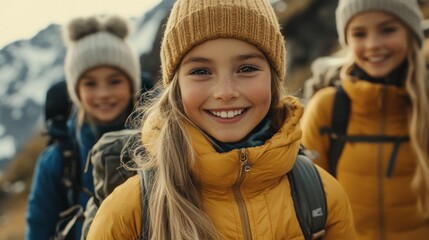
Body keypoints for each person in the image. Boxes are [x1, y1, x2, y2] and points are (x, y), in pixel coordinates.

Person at [86, 0, 356, 239]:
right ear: (176, 87)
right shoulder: (128, 213)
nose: (225, 92)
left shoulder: (322, 197)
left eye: (247, 69)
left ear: (274, 81)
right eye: (201, 71)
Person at [301, 0, 429, 239]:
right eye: (359, 33)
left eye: (388, 30)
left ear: (411, 33)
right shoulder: (327, 107)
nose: (373, 44)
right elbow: (308, 200)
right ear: (347, 41)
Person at [26, 15, 141, 240]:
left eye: (114, 80)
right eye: (90, 83)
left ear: (132, 84)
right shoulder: (58, 161)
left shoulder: (162, 142)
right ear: (76, 91)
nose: (103, 93)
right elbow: (39, 228)